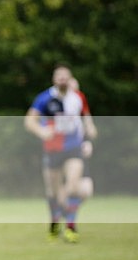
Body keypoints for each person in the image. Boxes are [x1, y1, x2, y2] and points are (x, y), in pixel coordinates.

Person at [25, 65, 97, 243]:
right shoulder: (44, 99)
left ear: (70, 78)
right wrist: (42, 132)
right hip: (53, 149)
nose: (63, 79)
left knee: (73, 186)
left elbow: (87, 123)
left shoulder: (78, 98)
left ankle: (71, 226)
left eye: (66, 76)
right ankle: (55, 220)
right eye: (59, 76)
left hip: (73, 148)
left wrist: (90, 138)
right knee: (53, 192)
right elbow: (29, 121)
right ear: (54, 79)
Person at [69, 77, 94, 201]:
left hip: (78, 149)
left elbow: (91, 129)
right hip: (61, 150)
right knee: (68, 188)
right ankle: (62, 210)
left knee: (86, 190)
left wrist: (88, 141)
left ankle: (68, 212)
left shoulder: (80, 102)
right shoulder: (55, 105)